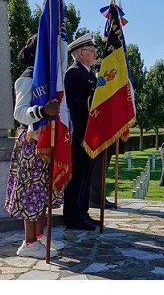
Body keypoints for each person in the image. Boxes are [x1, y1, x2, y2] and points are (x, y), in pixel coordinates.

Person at [5, 35, 63, 258]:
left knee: (42, 190)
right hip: (31, 143)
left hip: (45, 141)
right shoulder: (27, 78)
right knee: (32, 191)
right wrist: (42, 111)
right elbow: (19, 113)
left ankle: (38, 237)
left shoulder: (47, 79)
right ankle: (28, 243)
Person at [63, 34, 100, 230]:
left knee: (86, 175)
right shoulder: (74, 73)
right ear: (81, 53)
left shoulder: (89, 74)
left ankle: (83, 212)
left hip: (91, 134)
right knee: (77, 177)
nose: (95, 54)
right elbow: (76, 103)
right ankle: (72, 216)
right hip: (79, 134)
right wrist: (96, 95)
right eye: (92, 51)